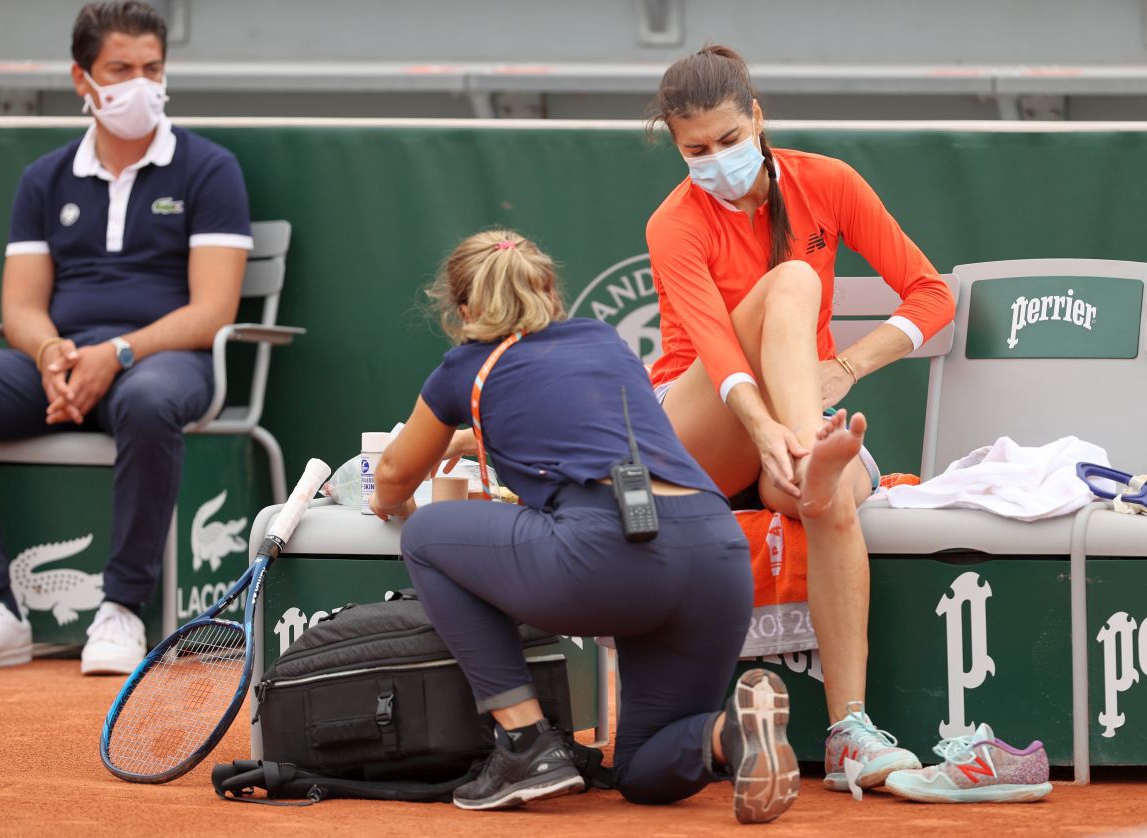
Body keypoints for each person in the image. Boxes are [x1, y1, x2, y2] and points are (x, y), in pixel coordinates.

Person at [367, 229, 878, 822]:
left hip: (610, 556)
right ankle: (732, 734)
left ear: (462, 310)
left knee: (428, 538)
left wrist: (392, 503)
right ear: (550, 292)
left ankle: (525, 742)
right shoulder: (602, 340)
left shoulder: (466, 367)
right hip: (714, 554)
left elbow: (395, 478)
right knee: (640, 769)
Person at [645, 45, 956, 792]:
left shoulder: (829, 182)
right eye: (696, 150)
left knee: (834, 495)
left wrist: (844, 368)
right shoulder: (674, 223)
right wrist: (776, 431)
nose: (716, 159)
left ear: (758, 117)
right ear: (676, 147)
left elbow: (930, 295)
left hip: (792, 419)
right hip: (703, 431)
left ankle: (849, 728)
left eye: (728, 139)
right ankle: (811, 448)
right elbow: (719, 355)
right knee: (789, 282)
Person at [0, 2, 253, 674]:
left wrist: (119, 353)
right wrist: (52, 353)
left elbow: (214, 308)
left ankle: (122, 610)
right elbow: (20, 306)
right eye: (120, 69)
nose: (139, 84)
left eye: (152, 68)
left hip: (168, 363)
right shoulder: (44, 179)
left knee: (146, 400)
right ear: (83, 79)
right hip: (68, 356)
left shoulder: (209, 169)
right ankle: (2, 613)